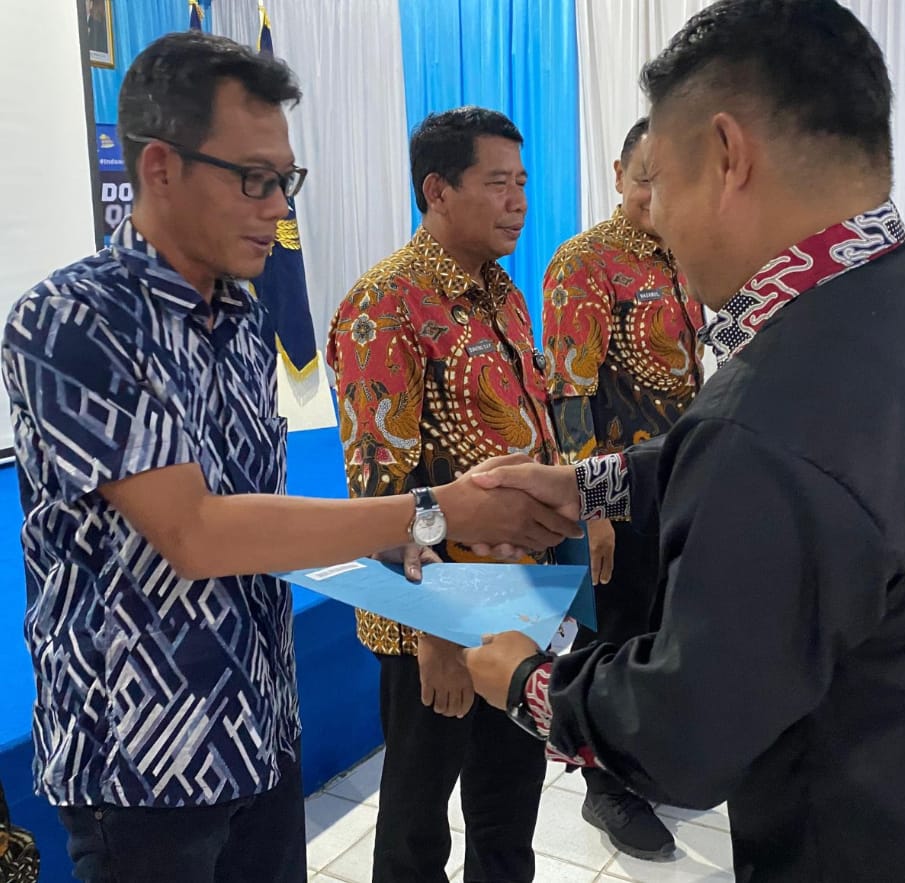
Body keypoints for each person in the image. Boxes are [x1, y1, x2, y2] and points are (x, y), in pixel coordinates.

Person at [462, 1, 905, 879]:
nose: (657, 221)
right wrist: (590, 484)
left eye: (661, 182)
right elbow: (839, 474)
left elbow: (683, 735)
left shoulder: (778, 402)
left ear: (728, 155)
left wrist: (529, 677)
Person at [0, 35, 577, 883]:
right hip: (144, 756)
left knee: (502, 802)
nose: (278, 208)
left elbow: (267, 516)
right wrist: (440, 518)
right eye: (253, 179)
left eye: (285, 180)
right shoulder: (75, 318)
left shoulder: (239, 319)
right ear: (160, 168)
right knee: (419, 821)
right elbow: (197, 533)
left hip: (259, 725)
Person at [327, 107, 559, 883]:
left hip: (518, 592)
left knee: (510, 799)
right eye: (497, 183)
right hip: (432, 615)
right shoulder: (384, 304)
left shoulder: (503, 292)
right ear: (437, 189)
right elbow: (382, 483)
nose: (517, 202)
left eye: (521, 182)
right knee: (417, 820)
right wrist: (437, 636)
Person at [540, 116, 704, 861]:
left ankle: (648, 761)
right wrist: (595, 509)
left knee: (663, 627)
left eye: (671, 179)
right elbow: (569, 392)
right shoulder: (586, 263)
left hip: (678, 478)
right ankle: (603, 788)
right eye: (644, 178)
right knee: (611, 635)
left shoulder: (685, 252)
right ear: (616, 174)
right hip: (615, 490)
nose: (656, 194)